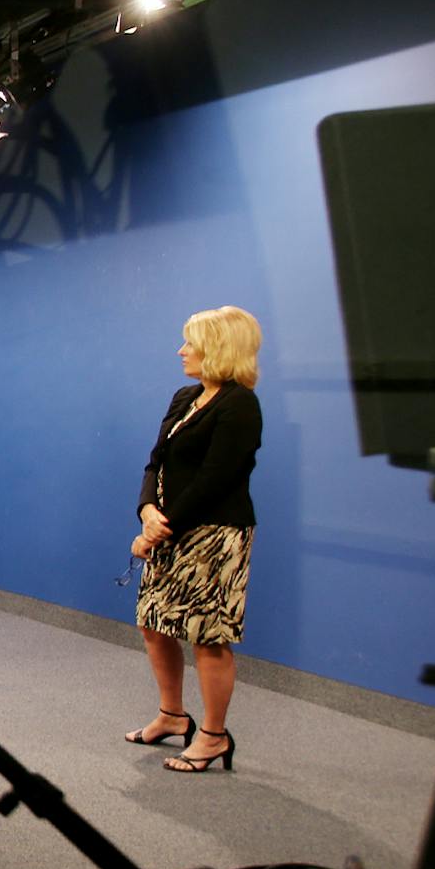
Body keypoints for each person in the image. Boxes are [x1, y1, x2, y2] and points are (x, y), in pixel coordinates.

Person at [125, 306, 264, 774]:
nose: (181, 350)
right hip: (167, 528)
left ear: (219, 348)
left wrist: (159, 528)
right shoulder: (185, 397)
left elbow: (215, 479)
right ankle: (172, 716)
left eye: (191, 342)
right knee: (154, 623)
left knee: (208, 636)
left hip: (214, 536)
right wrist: (146, 511)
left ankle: (213, 736)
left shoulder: (240, 404)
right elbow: (155, 463)